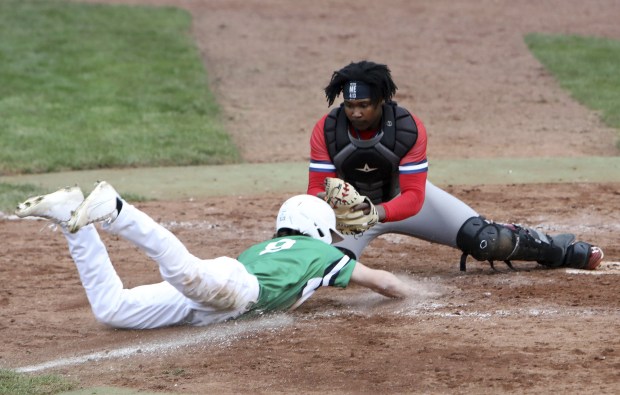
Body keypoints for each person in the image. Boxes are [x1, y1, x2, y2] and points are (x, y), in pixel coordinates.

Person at [307, 60, 604, 271]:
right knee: (321, 269)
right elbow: (316, 189)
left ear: (382, 100)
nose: (355, 113)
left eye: (364, 105)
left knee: (488, 239)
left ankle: (559, 250)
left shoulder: (406, 129)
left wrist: (377, 212)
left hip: (401, 203)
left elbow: (414, 197)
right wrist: (329, 206)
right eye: (350, 105)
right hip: (351, 218)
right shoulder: (328, 129)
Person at [15, 181, 412, 329]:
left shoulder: (265, 247)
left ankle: (72, 217)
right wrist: (420, 293)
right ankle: (118, 211)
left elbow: (289, 298)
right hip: (236, 290)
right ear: (321, 230)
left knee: (113, 310)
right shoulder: (322, 252)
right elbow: (383, 281)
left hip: (220, 295)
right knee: (183, 272)